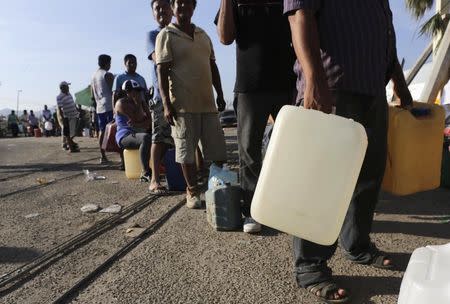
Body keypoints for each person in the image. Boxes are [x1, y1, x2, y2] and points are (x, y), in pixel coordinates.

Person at [283, 1, 413, 302]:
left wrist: (399, 82)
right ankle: (310, 265)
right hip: (332, 86)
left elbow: (385, 35)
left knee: (370, 172)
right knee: (322, 180)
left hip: (371, 90)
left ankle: (357, 244)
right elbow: (299, 14)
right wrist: (315, 79)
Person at [216, 0, 297, 233]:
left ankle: (286, 207)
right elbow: (225, 37)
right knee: (249, 153)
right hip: (249, 87)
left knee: (289, 150)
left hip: (286, 83)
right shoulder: (234, 3)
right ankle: (252, 211)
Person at [156, 0, 228, 208]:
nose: (183, 7)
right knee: (186, 153)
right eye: (179, 3)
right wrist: (166, 104)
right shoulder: (166, 35)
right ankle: (192, 191)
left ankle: (219, 188)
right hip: (183, 107)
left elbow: (212, 66)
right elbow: (161, 71)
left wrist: (220, 93)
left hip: (208, 105)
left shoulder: (203, 35)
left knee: (218, 152)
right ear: (173, 7)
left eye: (188, 3)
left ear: (194, 7)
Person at [147, 0, 174, 194]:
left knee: (186, 138)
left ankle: (197, 172)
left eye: (165, 6)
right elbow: (159, 59)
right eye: (157, 8)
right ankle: (154, 179)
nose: (161, 11)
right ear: (153, 13)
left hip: (182, 93)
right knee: (159, 138)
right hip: (160, 97)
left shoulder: (178, 32)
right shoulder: (153, 35)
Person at [115, 80, 153, 182]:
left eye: (138, 91)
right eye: (134, 91)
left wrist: (142, 104)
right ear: (127, 92)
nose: (138, 93)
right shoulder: (121, 103)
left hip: (136, 133)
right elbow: (137, 120)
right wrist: (139, 105)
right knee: (145, 138)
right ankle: (145, 173)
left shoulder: (139, 102)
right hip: (125, 136)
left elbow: (149, 121)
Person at [91, 54, 115, 164]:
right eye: (109, 63)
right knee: (114, 129)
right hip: (109, 105)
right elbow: (113, 91)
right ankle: (121, 155)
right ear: (106, 63)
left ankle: (103, 156)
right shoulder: (107, 74)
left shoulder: (93, 76)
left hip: (99, 107)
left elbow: (92, 95)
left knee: (102, 130)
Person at [57, 81, 80, 153]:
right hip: (67, 117)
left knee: (73, 132)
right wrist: (63, 118)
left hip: (74, 115)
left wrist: (77, 109)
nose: (68, 87)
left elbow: (73, 103)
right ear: (62, 88)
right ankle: (70, 147)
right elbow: (60, 109)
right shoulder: (59, 97)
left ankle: (70, 144)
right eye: (67, 86)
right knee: (67, 133)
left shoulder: (69, 94)